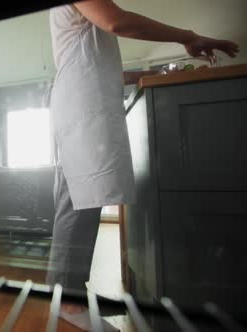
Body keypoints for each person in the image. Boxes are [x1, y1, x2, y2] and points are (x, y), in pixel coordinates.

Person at [46, 0, 239, 330]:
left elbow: (103, 65)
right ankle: (66, 300)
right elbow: (117, 21)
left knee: (84, 200)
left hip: (81, 102)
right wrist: (189, 37)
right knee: (77, 201)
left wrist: (152, 73)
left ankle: (74, 291)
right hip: (80, 106)